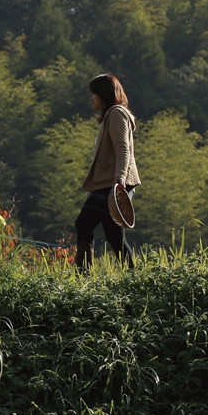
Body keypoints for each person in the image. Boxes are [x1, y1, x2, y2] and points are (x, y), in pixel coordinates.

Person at [75, 73, 140, 270]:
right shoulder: (112, 116)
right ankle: (132, 275)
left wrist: (119, 178)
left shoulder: (117, 114)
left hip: (112, 182)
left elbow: (123, 148)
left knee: (84, 224)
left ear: (103, 94)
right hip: (109, 181)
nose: (91, 98)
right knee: (113, 234)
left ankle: (82, 275)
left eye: (94, 93)